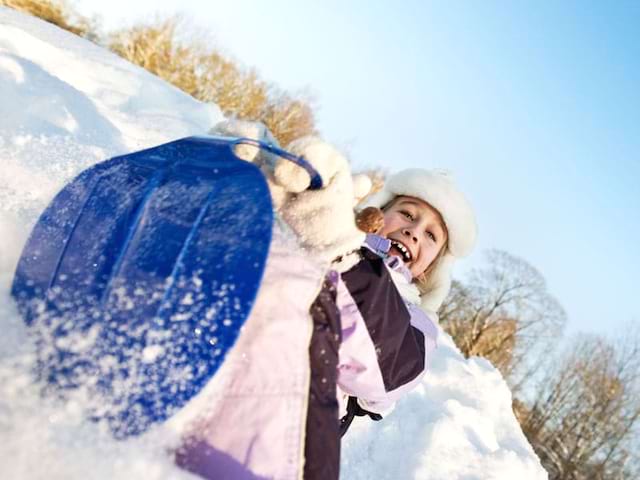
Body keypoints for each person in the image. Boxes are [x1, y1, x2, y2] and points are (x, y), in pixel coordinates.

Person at [173, 121, 477, 480]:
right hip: (198, 369)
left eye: (430, 235)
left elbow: (385, 370)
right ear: (376, 215)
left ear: (430, 270)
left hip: (277, 443)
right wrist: (246, 184)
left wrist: (342, 250)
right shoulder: (318, 230)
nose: (414, 230)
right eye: (408, 214)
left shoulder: (415, 326)